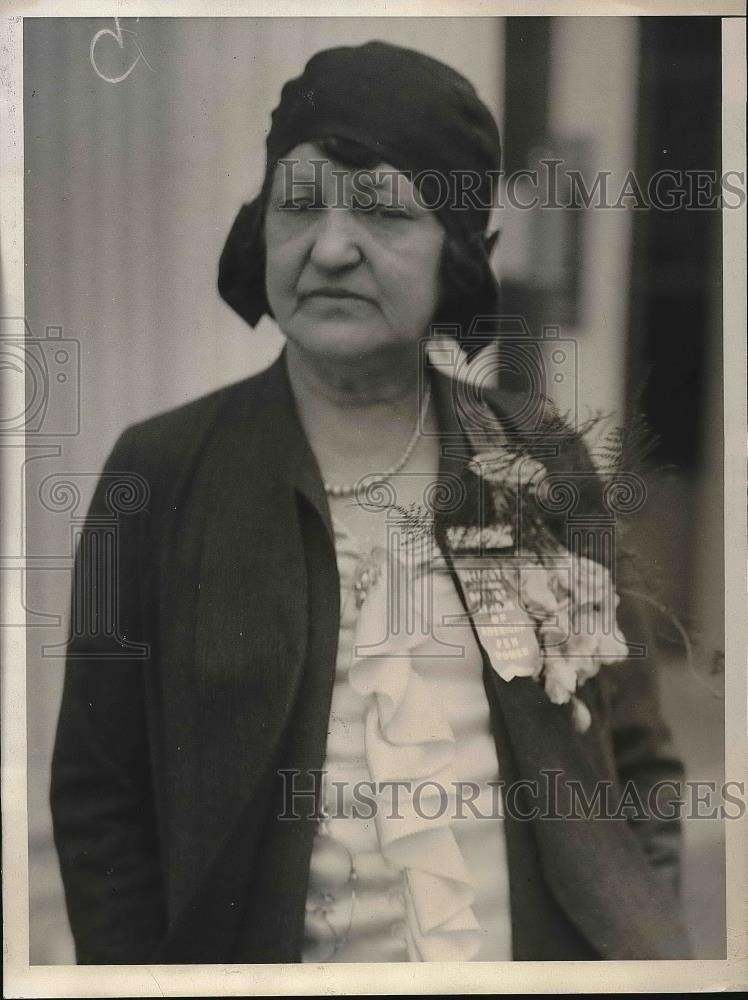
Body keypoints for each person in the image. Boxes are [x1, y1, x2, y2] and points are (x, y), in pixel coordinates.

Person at [50, 40, 690, 964]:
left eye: (386, 212)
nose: (332, 247)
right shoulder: (158, 474)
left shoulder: (539, 461)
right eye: (297, 205)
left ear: (459, 255)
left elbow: (640, 766)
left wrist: (650, 953)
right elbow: (100, 803)